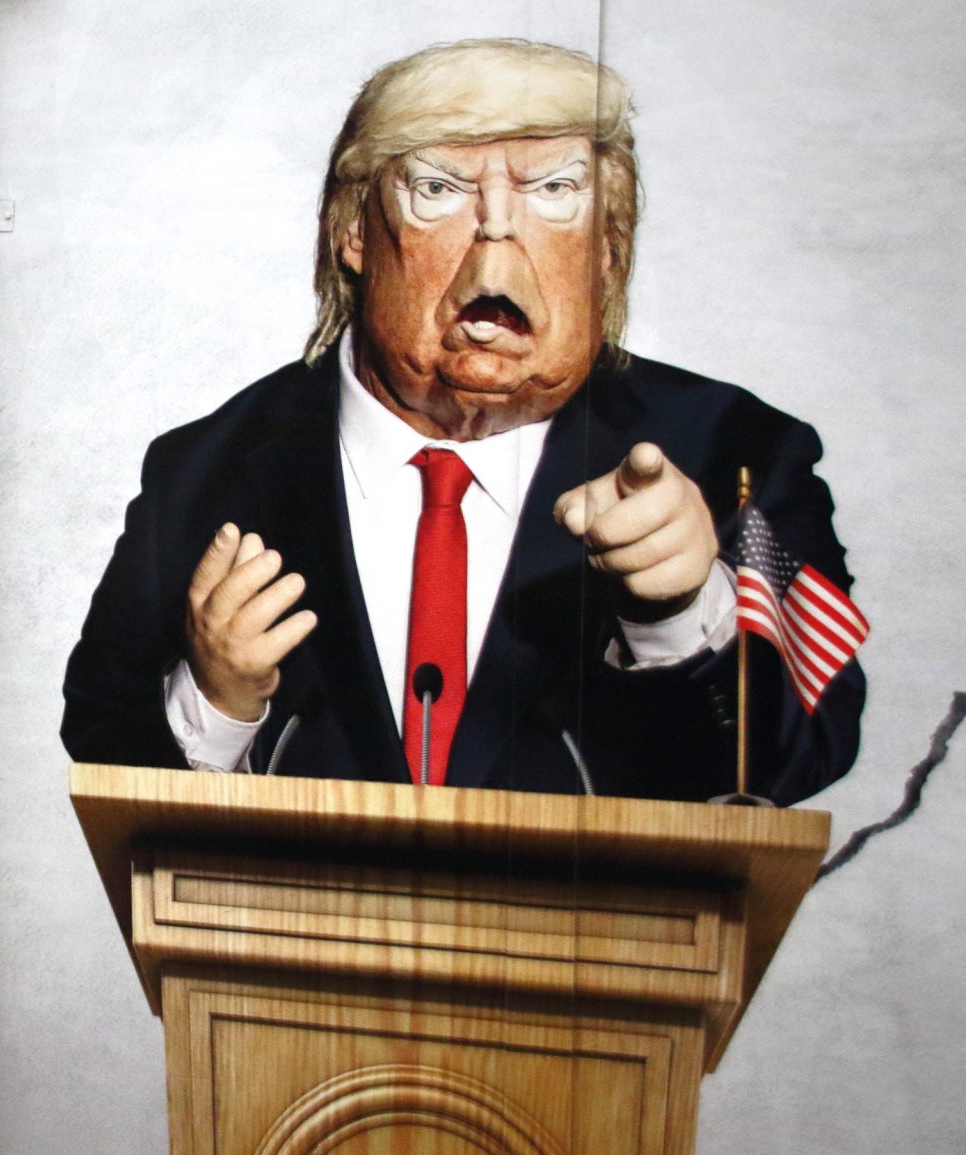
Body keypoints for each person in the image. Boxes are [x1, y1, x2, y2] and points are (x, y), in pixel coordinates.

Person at [61, 39, 863, 804]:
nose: (498, 231)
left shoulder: (734, 450)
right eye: (440, 189)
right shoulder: (207, 470)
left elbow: (806, 750)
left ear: (610, 250)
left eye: (555, 191)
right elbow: (103, 745)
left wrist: (685, 612)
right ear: (353, 234)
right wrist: (216, 699)